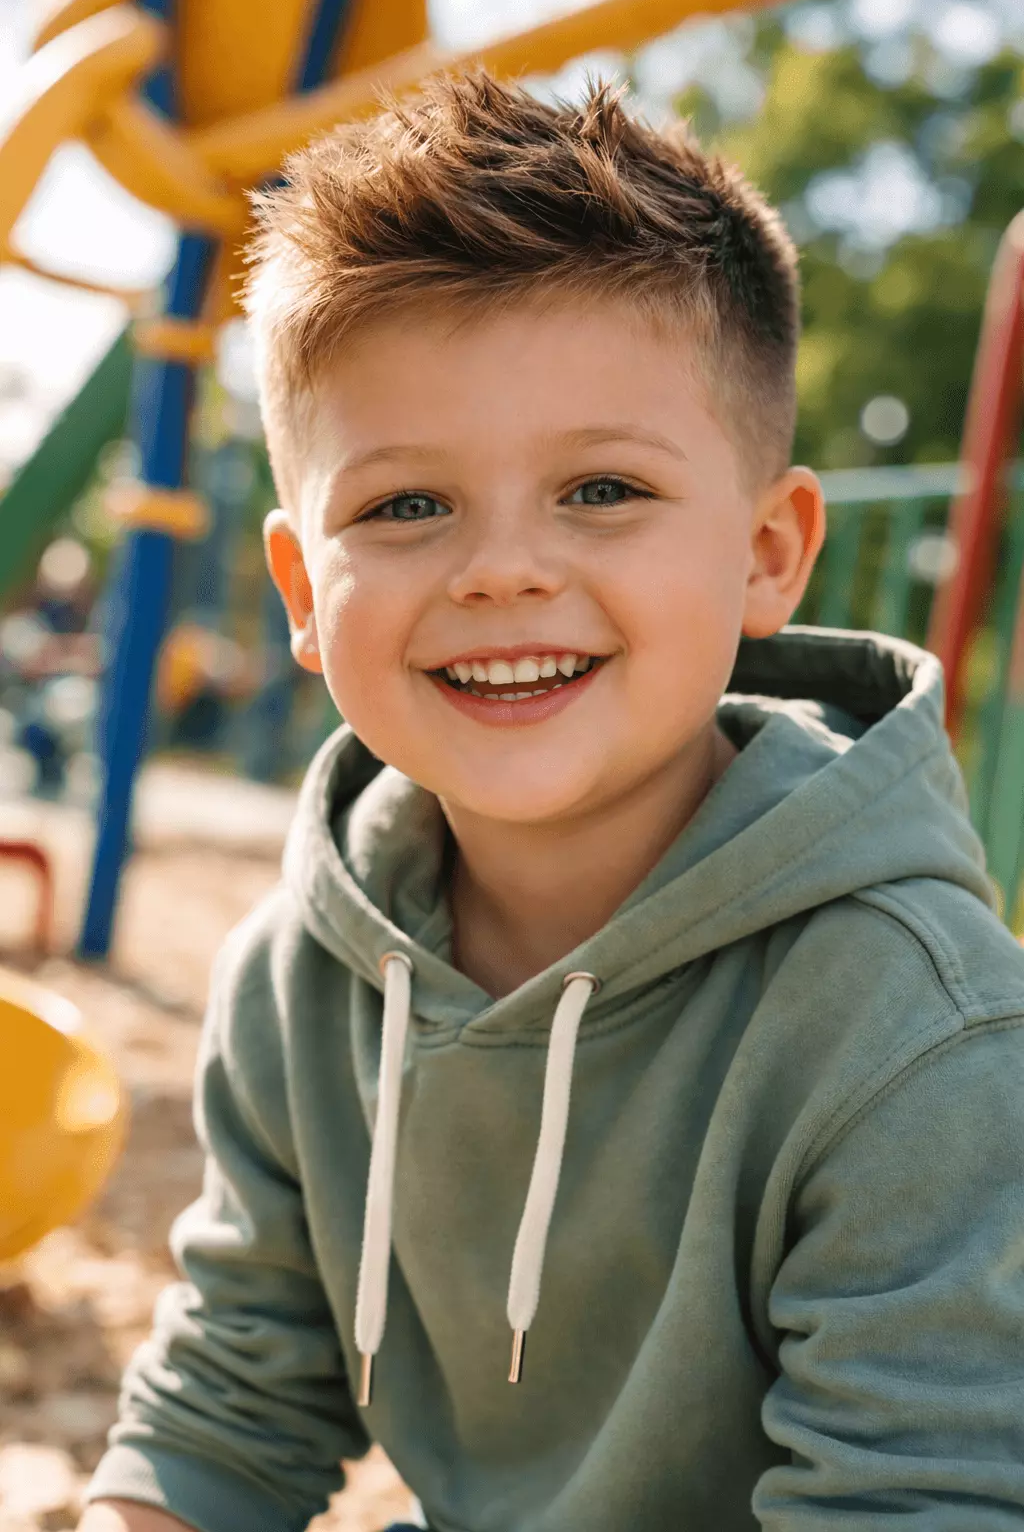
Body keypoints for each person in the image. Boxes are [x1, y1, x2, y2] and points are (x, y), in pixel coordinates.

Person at [78, 73, 1024, 1532]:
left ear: (770, 552)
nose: (500, 570)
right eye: (404, 506)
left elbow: (920, 1496)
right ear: (299, 597)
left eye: (601, 490)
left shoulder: (916, 1028)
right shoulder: (300, 973)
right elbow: (236, 1397)